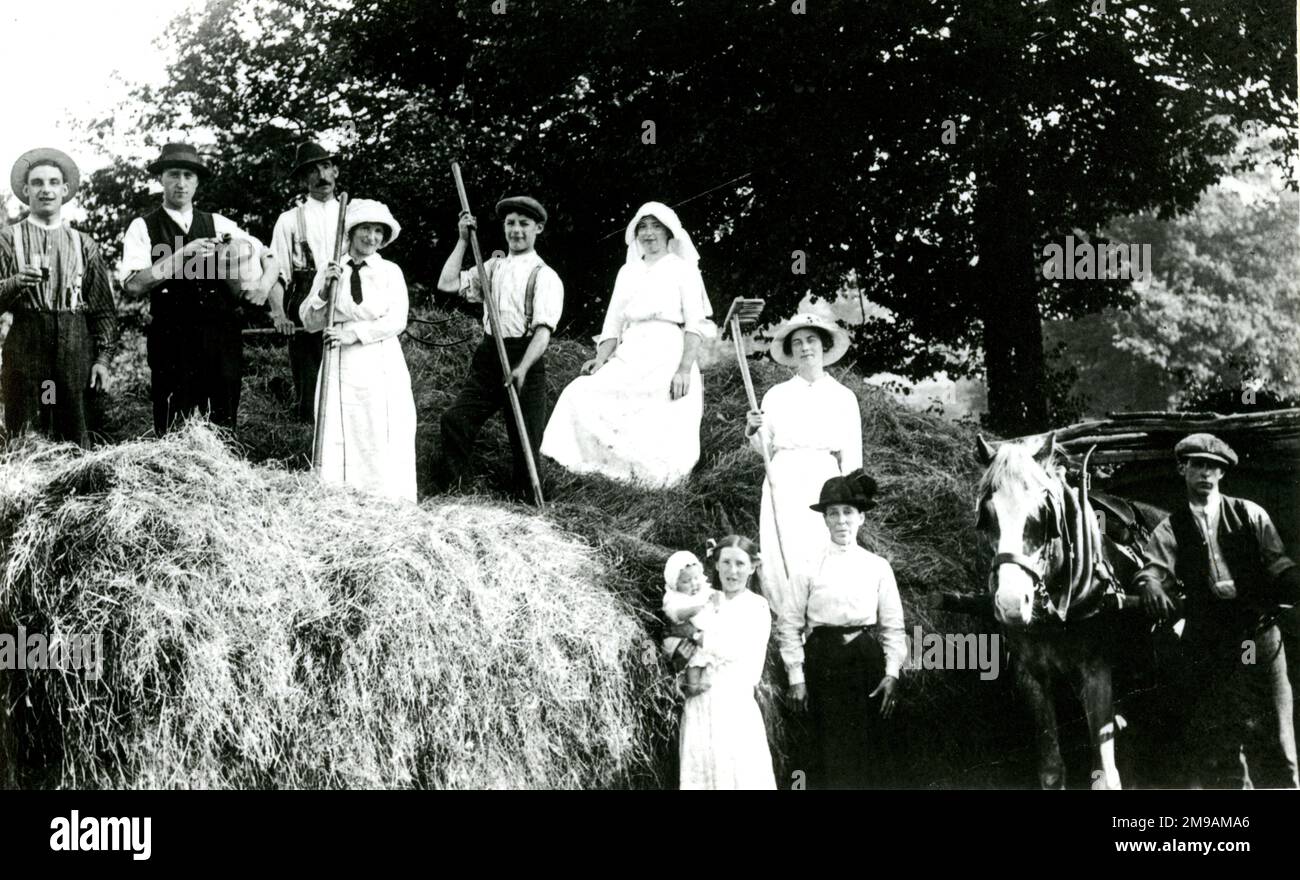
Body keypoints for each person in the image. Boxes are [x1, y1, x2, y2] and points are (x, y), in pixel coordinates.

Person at [1135, 433, 1299, 788]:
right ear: (1183, 470)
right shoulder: (1170, 527)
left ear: (1223, 474)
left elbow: (1278, 562)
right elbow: (1153, 569)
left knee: (1274, 731)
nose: (1206, 474)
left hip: (1257, 631)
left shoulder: (1249, 513)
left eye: (1213, 467)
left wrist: (1291, 580)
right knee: (1221, 736)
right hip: (1209, 638)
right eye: (1198, 466)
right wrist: (1148, 584)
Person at [541, 202, 711, 488]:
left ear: (669, 232)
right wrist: (601, 358)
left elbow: (694, 325)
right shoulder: (627, 272)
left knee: (658, 415)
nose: (649, 233)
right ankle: (589, 466)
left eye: (656, 226)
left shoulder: (683, 270)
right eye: (642, 226)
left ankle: (649, 481)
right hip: (631, 351)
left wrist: (683, 369)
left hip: (667, 352)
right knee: (579, 393)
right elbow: (612, 323)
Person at [121, 143, 278, 436]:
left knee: (222, 425)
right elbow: (134, 284)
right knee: (172, 427)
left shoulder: (217, 223)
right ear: (161, 179)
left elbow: (268, 255)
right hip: (172, 336)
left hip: (220, 335)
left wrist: (263, 285)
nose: (181, 183)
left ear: (197, 182)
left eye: (188, 176)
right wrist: (183, 254)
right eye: (173, 174)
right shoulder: (143, 227)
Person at [777, 471, 906, 789]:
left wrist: (892, 673)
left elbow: (892, 627)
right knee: (824, 749)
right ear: (824, 520)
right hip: (822, 661)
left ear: (861, 517)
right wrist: (796, 677)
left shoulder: (878, 567)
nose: (841, 520)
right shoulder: (807, 565)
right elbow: (789, 626)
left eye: (848, 512)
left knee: (869, 748)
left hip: (865, 661)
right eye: (832, 513)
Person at [435, 196, 562, 500]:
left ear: (538, 228)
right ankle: (458, 493)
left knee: (524, 443)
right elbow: (447, 283)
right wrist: (463, 240)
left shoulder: (545, 276)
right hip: (490, 356)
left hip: (524, 359)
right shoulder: (491, 266)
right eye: (510, 224)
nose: (516, 230)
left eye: (524, 224)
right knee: (455, 420)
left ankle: (528, 505)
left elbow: (543, 333)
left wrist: (522, 368)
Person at [299, 199, 415, 503]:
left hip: (380, 359)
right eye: (366, 229)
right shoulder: (332, 268)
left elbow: (397, 320)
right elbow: (310, 322)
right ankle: (339, 498)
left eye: (379, 231)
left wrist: (353, 333)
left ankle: (386, 499)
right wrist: (324, 292)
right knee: (342, 426)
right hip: (340, 362)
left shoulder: (390, 272)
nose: (372, 237)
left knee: (379, 427)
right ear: (351, 231)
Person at [0, 148, 118, 447]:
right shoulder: (6, 240)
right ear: (26, 190)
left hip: (74, 346)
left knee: (76, 435)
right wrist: (14, 283)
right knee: (28, 434)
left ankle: (77, 491)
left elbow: (103, 309)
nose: (46, 190)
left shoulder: (83, 243)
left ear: (65, 190)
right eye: (37, 183)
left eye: (53, 182)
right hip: (27, 343)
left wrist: (103, 359)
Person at [746, 313, 861, 616]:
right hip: (782, 478)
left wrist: (849, 499)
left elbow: (852, 454)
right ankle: (786, 617)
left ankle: (822, 617)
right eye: (797, 343)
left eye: (811, 340)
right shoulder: (776, 395)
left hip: (824, 479)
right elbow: (764, 449)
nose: (805, 348)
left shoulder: (843, 397)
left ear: (823, 346)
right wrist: (752, 429)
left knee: (820, 544)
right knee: (782, 547)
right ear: (791, 351)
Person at [678, 535, 777, 790]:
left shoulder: (757, 607)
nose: (733, 571)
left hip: (733, 705)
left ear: (752, 567)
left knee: (736, 775)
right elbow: (686, 650)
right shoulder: (705, 603)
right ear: (717, 565)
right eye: (727, 563)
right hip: (700, 703)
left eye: (740, 564)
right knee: (701, 774)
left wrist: (696, 635)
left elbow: (733, 647)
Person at [269, 142, 341, 421]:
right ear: (303, 180)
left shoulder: (354, 214)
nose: (321, 175)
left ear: (335, 170)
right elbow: (276, 272)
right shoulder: (289, 220)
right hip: (304, 302)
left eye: (325, 167)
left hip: (346, 299)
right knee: (310, 391)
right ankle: (309, 451)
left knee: (349, 383)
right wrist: (279, 314)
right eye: (312, 171)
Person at [661, 549, 720, 696]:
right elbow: (676, 614)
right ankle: (692, 687)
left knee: (702, 660)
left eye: (696, 578)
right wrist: (693, 610)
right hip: (683, 642)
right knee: (692, 662)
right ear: (675, 584)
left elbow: (715, 599)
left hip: (701, 638)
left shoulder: (703, 592)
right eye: (686, 581)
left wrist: (715, 601)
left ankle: (697, 684)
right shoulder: (676, 598)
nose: (694, 584)